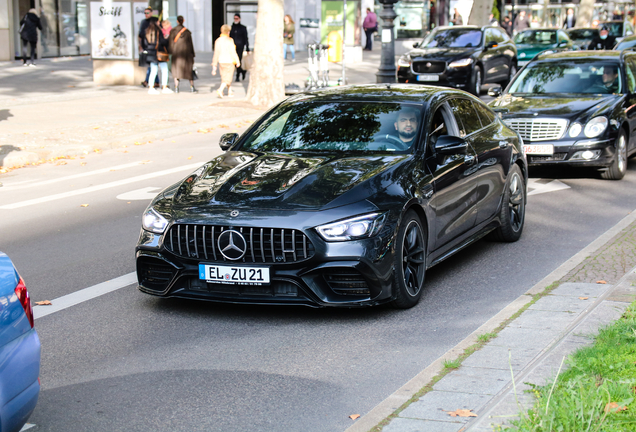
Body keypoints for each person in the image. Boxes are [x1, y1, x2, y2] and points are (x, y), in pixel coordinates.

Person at [142, 17, 172, 94]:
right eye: (158, 21)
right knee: (164, 70)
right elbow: (162, 41)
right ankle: (164, 87)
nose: (159, 23)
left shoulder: (147, 30)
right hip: (159, 53)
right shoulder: (158, 31)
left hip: (150, 53)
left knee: (153, 70)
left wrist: (148, 49)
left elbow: (144, 43)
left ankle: (151, 87)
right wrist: (167, 39)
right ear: (156, 22)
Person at [169, 16, 197, 93]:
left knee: (176, 71)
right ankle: (192, 87)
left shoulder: (173, 31)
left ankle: (176, 87)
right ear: (183, 21)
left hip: (176, 54)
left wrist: (171, 52)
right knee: (189, 71)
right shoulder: (187, 32)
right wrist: (192, 55)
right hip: (187, 55)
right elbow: (191, 44)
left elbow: (171, 43)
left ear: (177, 21)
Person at [212, 24, 240, 98]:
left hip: (221, 61)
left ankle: (229, 91)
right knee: (228, 77)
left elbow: (216, 53)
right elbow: (233, 52)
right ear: (228, 32)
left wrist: (214, 65)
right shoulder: (230, 40)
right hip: (229, 61)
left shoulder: (217, 41)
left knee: (224, 77)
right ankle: (220, 89)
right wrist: (238, 61)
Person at [139, 7, 158, 88]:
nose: (146, 15)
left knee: (152, 65)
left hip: (154, 47)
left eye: (147, 13)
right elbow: (140, 35)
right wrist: (140, 46)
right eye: (145, 13)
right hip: (146, 46)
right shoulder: (143, 22)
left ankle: (147, 81)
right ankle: (156, 81)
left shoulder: (154, 20)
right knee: (152, 65)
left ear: (151, 13)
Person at [230, 14, 249, 82]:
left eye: (237, 18)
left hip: (240, 47)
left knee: (238, 61)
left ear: (239, 19)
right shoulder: (232, 27)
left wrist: (247, 48)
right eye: (235, 18)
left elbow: (246, 38)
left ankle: (238, 75)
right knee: (234, 62)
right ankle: (242, 71)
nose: (236, 20)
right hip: (232, 47)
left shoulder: (243, 28)